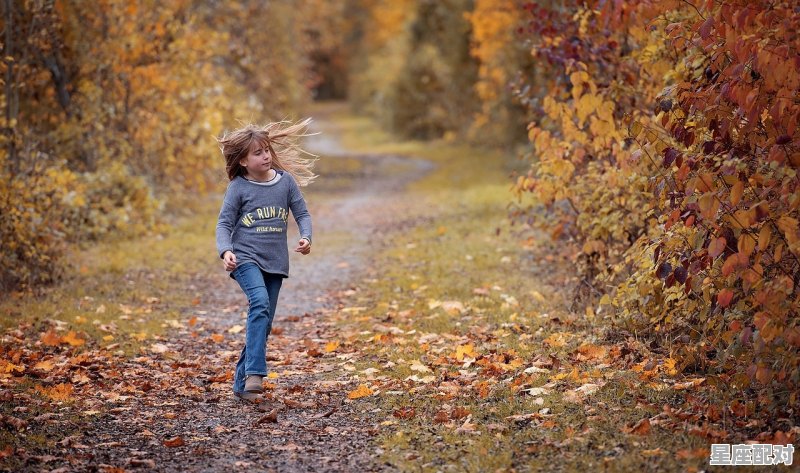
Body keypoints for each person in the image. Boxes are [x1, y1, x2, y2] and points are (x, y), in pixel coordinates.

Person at [215, 118, 317, 403]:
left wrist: (306, 237)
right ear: (244, 161)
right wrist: (226, 251)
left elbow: (303, 214)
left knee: (264, 319)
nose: (266, 156)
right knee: (258, 304)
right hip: (245, 259)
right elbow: (224, 224)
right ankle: (256, 373)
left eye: (267, 150)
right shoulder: (238, 187)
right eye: (258, 153)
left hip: (276, 262)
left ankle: (243, 384)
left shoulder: (285, 183)